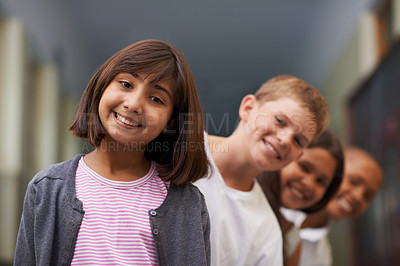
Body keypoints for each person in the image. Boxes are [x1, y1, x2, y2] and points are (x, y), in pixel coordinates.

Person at [14, 39, 211, 265]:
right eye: (126, 84)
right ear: (102, 86)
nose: (134, 104)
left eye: (156, 99)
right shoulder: (47, 188)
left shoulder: (187, 203)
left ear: (171, 121)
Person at [194, 75, 329, 266]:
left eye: (298, 140)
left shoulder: (266, 232)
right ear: (248, 108)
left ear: (299, 155)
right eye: (280, 121)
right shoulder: (176, 150)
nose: (285, 140)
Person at [257, 129, 344, 265]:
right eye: (304, 167)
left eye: (321, 181)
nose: (308, 183)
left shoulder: (292, 237)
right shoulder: (242, 194)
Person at [288, 146, 383, 266]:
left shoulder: (322, 257)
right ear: (330, 171)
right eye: (353, 181)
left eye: (367, 196)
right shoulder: (275, 208)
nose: (358, 197)